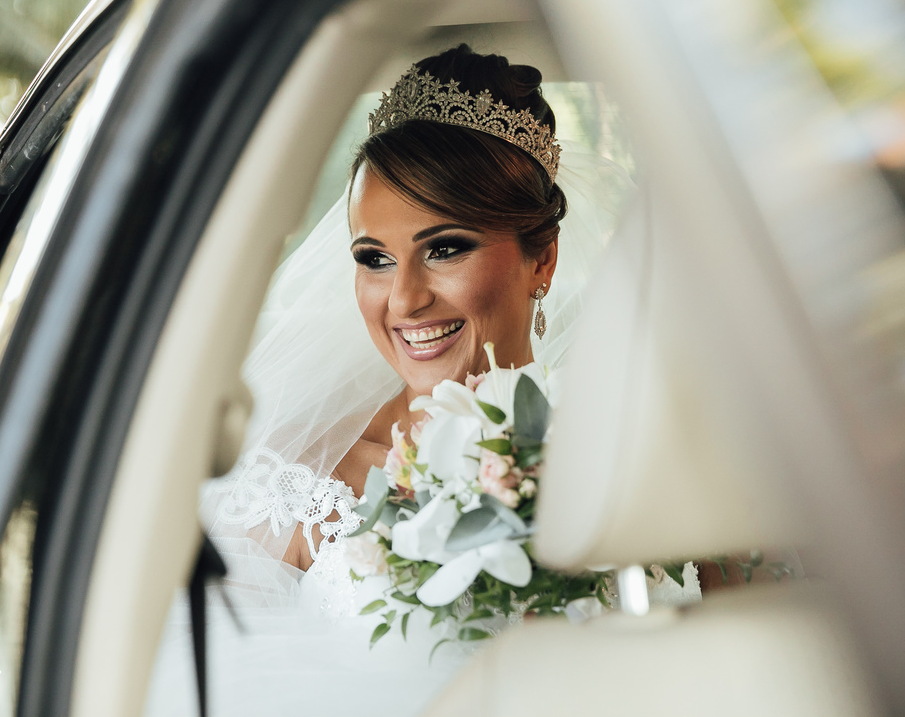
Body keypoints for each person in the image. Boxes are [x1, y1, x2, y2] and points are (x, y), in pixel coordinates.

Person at [144, 45, 644, 717]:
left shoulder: (648, 463)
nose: (404, 300)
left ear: (541, 259)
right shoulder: (297, 481)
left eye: (445, 248)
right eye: (374, 259)